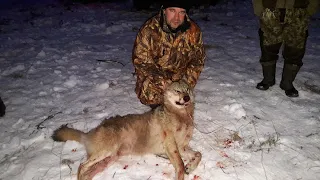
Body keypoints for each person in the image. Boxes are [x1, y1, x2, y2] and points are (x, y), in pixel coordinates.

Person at [132, 0, 206, 108]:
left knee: (183, 101)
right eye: (172, 10)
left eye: (181, 12)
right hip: (157, 78)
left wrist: (187, 82)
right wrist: (164, 82)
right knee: (150, 97)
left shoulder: (193, 32)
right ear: (164, 11)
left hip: (180, 78)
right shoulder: (149, 30)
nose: (177, 17)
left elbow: (198, 60)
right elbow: (141, 60)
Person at [253, 0, 319, 97]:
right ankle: (268, 79)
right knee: (268, 46)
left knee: (295, 48)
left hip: (298, 11)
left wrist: (310, 9)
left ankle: (287, 83)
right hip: (271, 10)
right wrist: (259, 8)